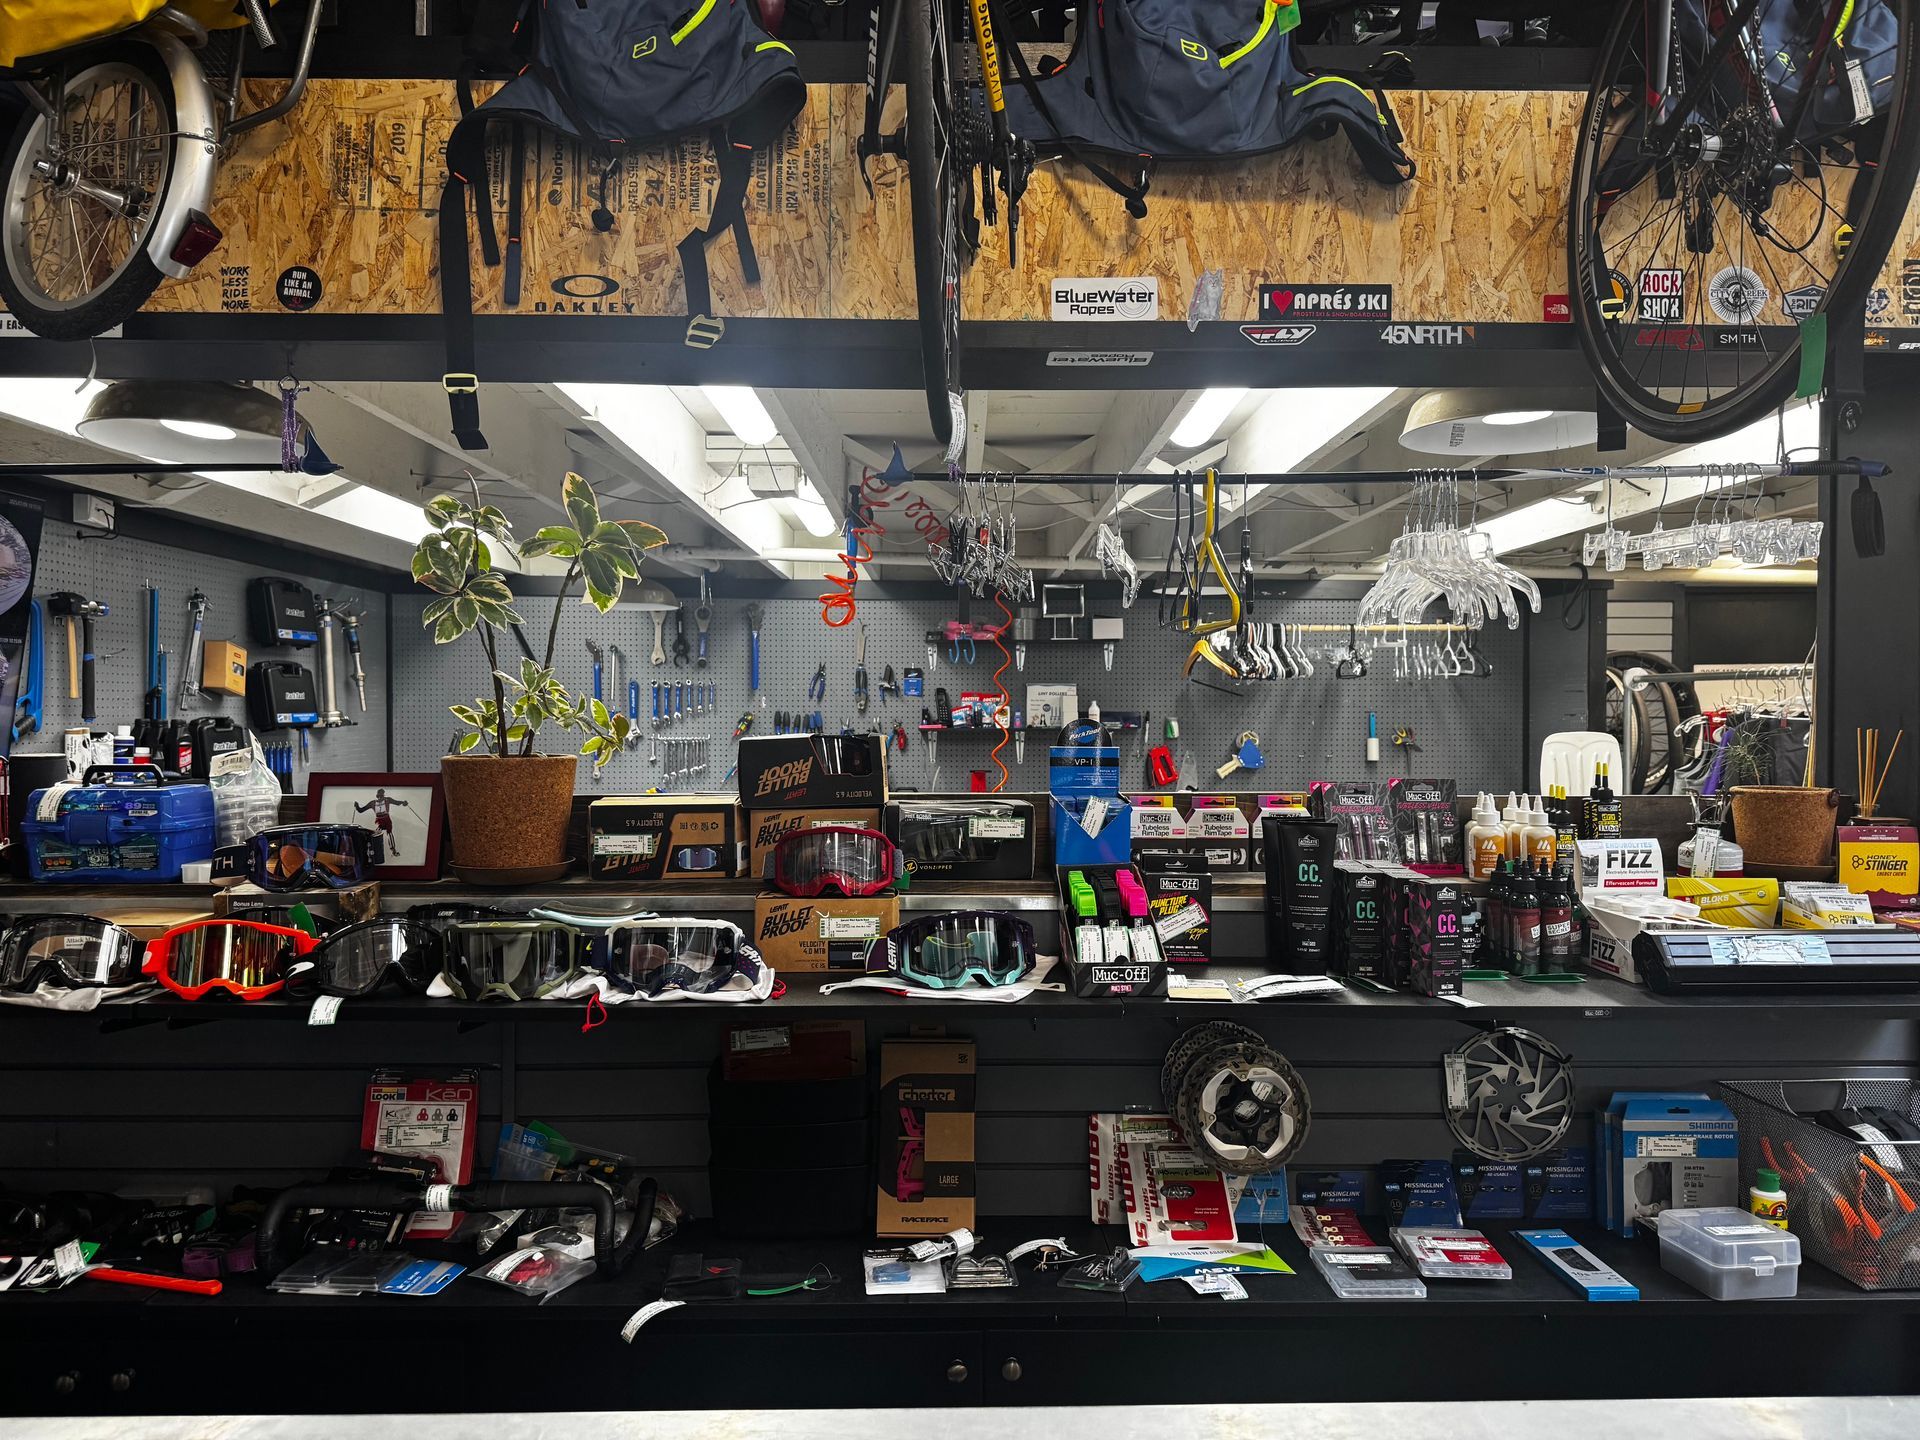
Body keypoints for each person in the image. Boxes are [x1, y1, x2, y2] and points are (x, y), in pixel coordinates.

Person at [353, 788, 411, 860]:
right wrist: (357, 806)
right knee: (376, 834)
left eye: (381, 796)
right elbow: (361, 810)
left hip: (386, 819)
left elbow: (397, 802)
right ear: (377, 796)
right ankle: (368, 849)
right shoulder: (373, 803)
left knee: (389, 833)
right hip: (380, 821)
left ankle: (393, 850)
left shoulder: (387, 800)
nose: (380, 797)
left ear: (383, 795)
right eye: (379, 796)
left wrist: (403, 802)